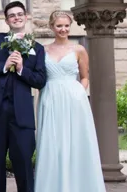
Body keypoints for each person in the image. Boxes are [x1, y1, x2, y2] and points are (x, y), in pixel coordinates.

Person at [0, 1, 47, 192]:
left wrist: (21, 69)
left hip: (21, 114)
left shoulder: (37, 48)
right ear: (6, 20)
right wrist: (3, 65)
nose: (16, 17)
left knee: (24, 161)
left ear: (26, 17)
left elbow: (40, 80)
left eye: (20, 14)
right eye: (12, 15)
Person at [34, 11, 105, 192]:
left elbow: (85, 76)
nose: (63, 29)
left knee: (76, 142)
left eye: (66, 25)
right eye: (59, 26)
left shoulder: (79, 50)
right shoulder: (42, 50)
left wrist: (80, 93)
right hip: (50, 98)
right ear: (51, 27)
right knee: (52, 142)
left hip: (75, 100)